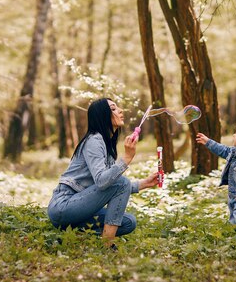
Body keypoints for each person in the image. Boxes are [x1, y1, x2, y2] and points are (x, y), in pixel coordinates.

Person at [47, 98, 159, 246]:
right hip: (64, 206)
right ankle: (107, 245)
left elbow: (112, 185)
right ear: (102, 115)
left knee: (128, 222)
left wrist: (143, 184)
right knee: (121, 182)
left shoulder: (106, 145)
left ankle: (72, 235)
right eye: (113, 108)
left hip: (80, 206)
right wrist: (126, 158)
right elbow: (102, 182)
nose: (120, 110)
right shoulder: (94, 140)